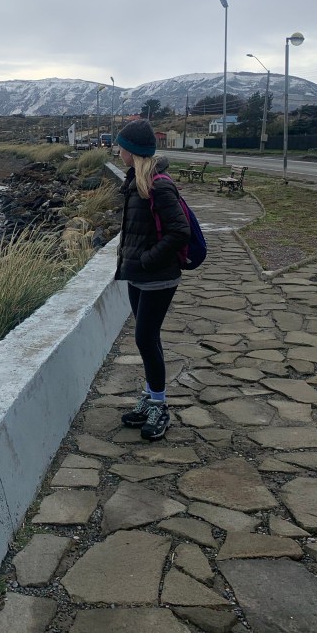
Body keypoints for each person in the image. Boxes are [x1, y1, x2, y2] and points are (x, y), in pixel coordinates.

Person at [114, 119, 190, 440]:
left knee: (145, 339)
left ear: (132, 151)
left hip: (157, 277)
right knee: (148, 337)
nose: (117, 151)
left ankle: (159, 405)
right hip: (138, 276)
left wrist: (147, 260)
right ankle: (150, 396)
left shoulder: (158, 186)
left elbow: (180, 231)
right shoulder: (136, 181)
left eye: (121, 147)